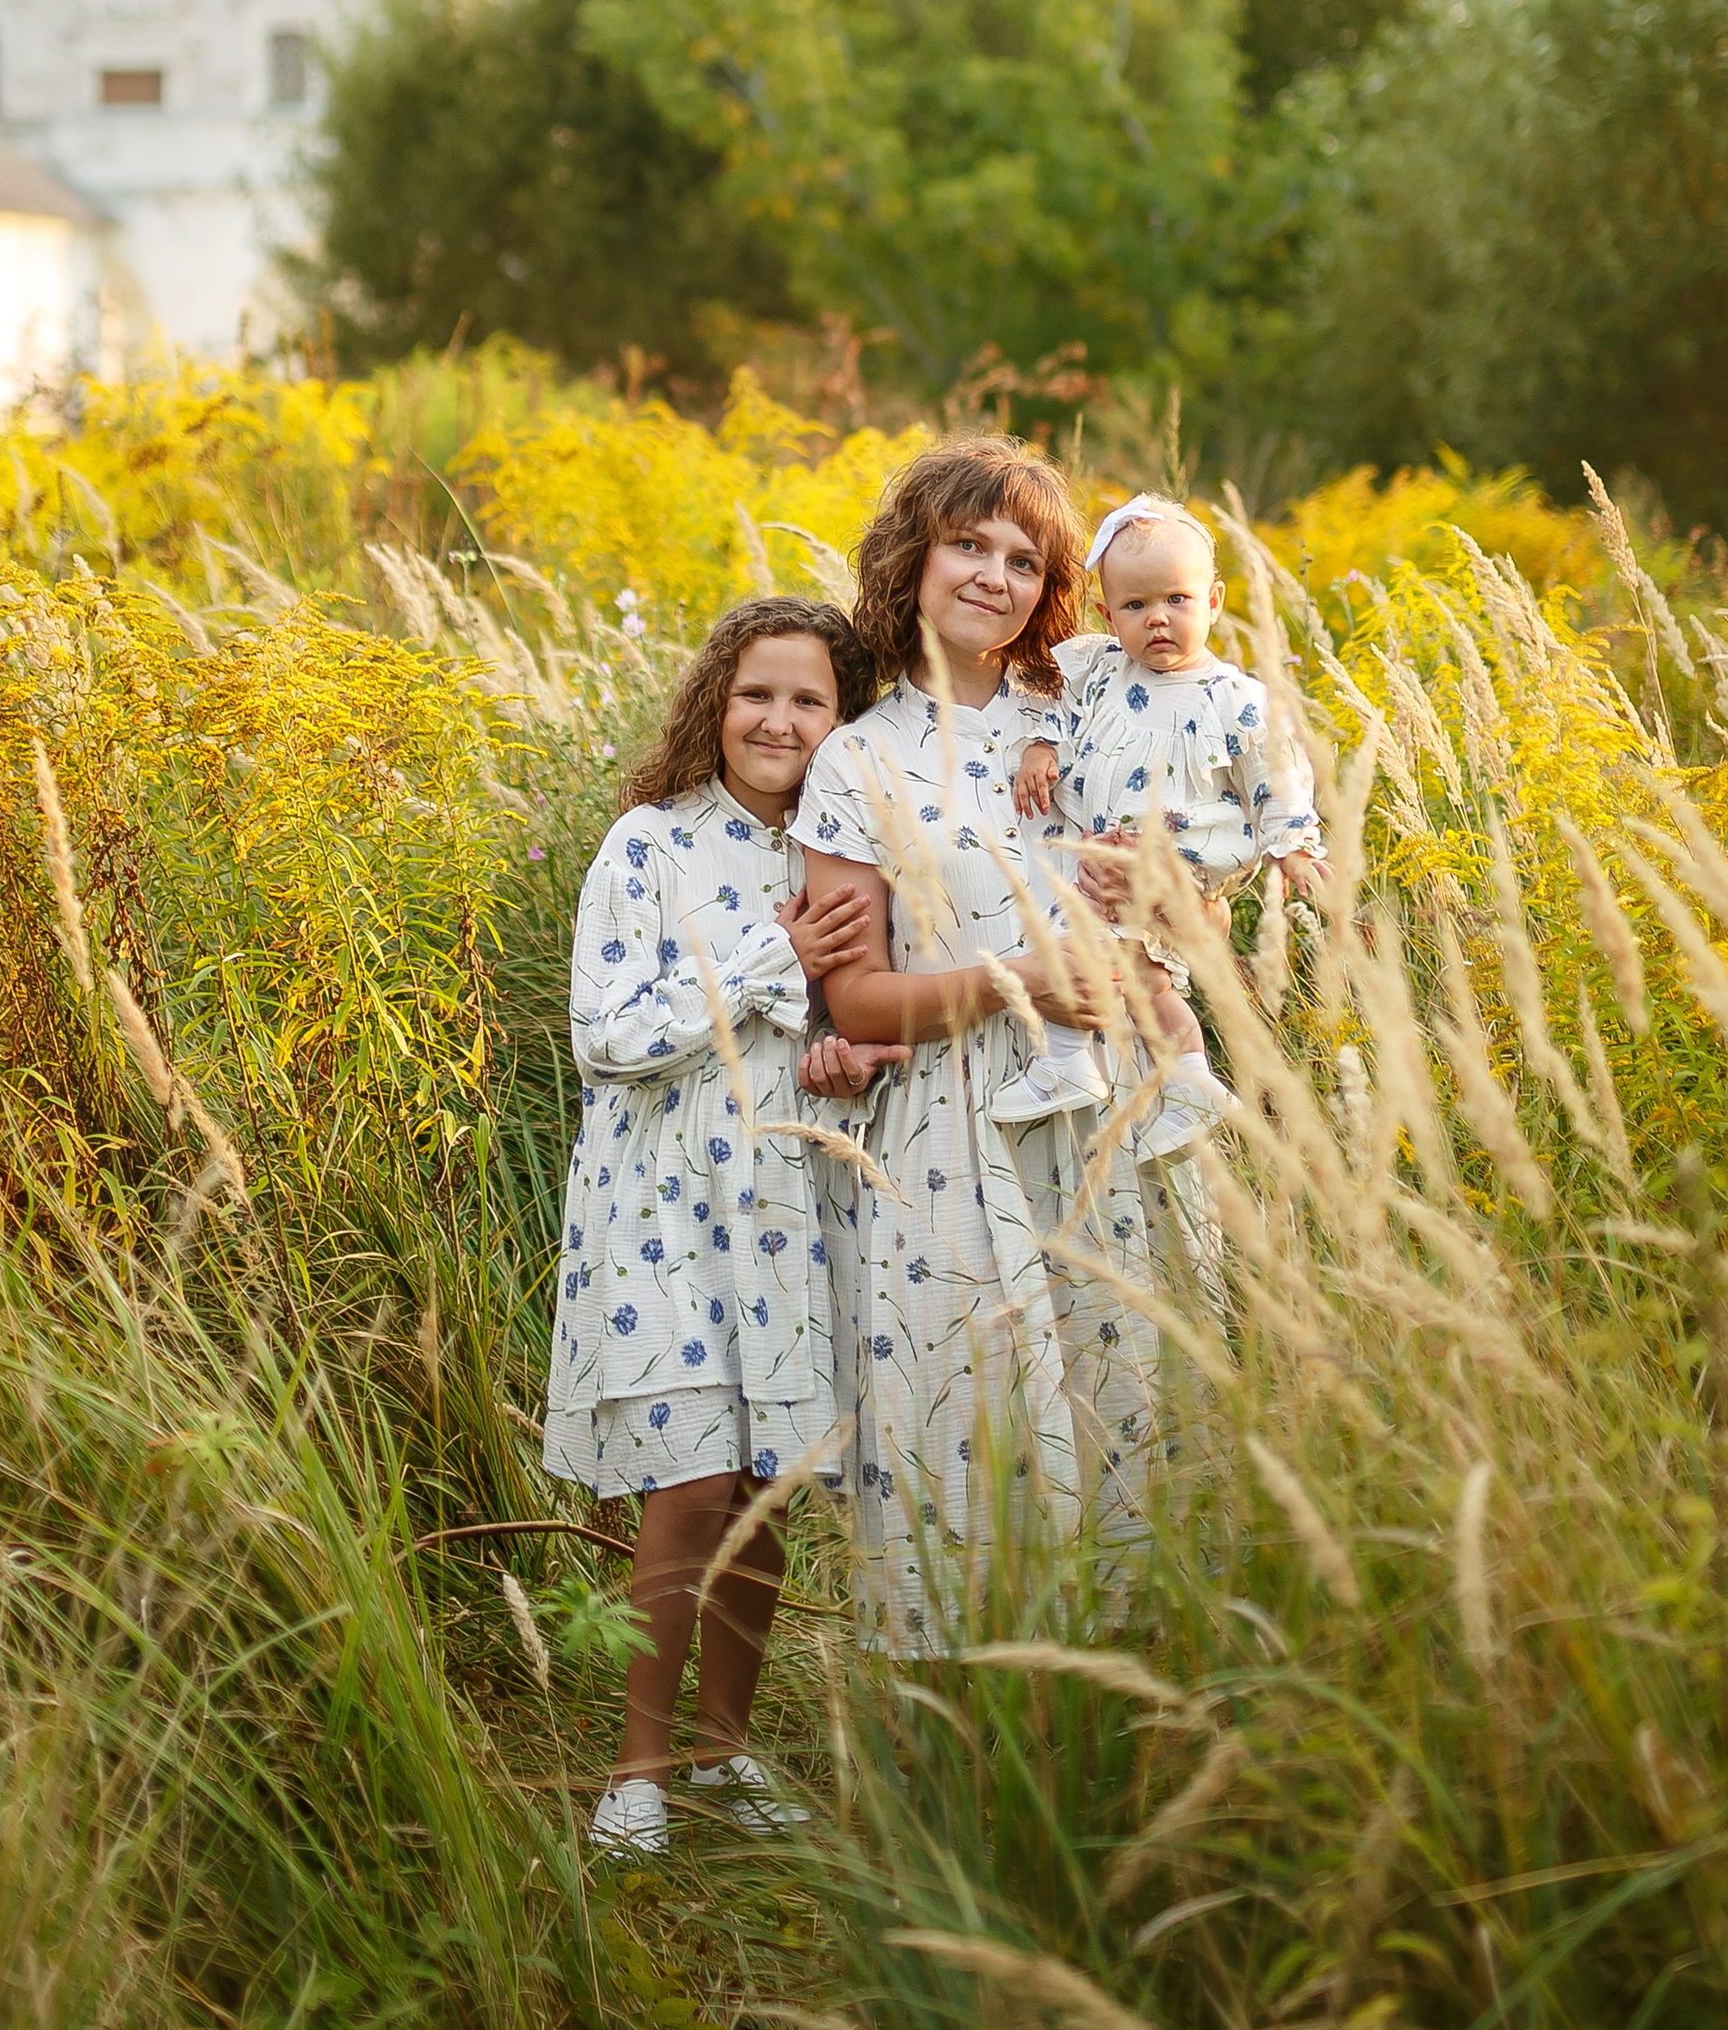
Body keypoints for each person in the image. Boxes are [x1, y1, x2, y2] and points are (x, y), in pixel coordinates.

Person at [790, 437, 1179, 1656]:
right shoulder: (855, 758)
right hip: (949, 1136)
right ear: (912, 558)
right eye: (968, 544)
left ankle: (1121, 1711)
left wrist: (1167, 901)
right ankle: (961, 1728)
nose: (993, 577)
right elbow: (856, 1000)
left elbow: (1188, 883)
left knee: (1122, 1408)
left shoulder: (1088, 715)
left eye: (1024, 561)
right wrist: (1021, 983)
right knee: (974, 1433)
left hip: (1104, 1108)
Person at [542, 593, 876, 1857]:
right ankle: (637, 1771)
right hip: (662, 1208)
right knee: (685, 1484)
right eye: (756, 694)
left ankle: (723, 1751)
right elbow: (609, 1034)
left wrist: (849, 1056)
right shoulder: (649, 845)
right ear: (714, 705)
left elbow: (853, 1026)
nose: (779, 720)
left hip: (791, 1204)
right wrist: (768, 960)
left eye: (809, 700)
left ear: (843, 719)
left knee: (760, 1485)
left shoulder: (845, 861)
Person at [1002, 495, 1324, 1160]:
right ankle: (1174, 1081)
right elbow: (1056, 708)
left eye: (1177, 600)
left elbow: (1278, 775)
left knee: (1113, 960)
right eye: (1136, 605)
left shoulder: (1233, 698)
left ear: (1213, 601)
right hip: (1106, 857)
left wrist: (1292, 848)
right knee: (1132, 975)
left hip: (1178, 863)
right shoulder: (1101, 672)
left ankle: (1092, 1063)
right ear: (1108, 615)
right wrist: (1041, 747)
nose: (1158, 619)